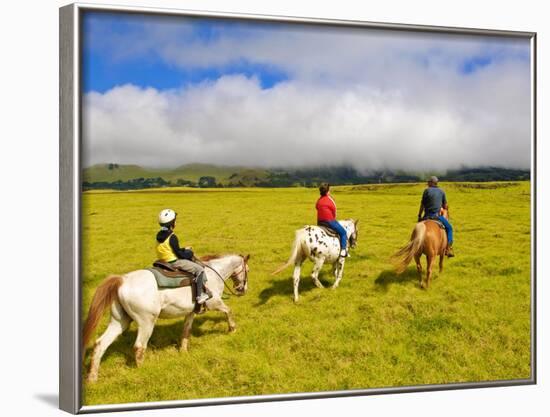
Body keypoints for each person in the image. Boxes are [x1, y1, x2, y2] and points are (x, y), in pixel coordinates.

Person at [156, 209, 211, 304]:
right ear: (172, 223)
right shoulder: (172, 236)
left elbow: (172, 248)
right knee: (199, 269)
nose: (176, 222)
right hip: (173, 262)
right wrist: (189, 253)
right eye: (175, 220)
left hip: (162, 260)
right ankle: (199, 296)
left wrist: (184, 249)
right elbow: (179, 254)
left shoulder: (159, 235)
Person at [417, 176, 455, 257]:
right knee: (450, 228)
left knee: (417, 229)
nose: (427, 183)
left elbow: (422, 205)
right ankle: (448, 248)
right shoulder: (442, 192)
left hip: (426, 217)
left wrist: (419, 215)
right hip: (437, 217)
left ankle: (413, 245)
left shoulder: (426, 191)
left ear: (432, 183)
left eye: (428, 182)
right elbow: (445, 206)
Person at [316, 183, 348, 257]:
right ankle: (343, 250)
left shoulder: (319, 200)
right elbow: (334, 210)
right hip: (329, 221)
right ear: (328, 191)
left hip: (320, 222)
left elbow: (317, 207)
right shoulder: (330, 199)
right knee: (343, 232)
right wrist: (333, 218)